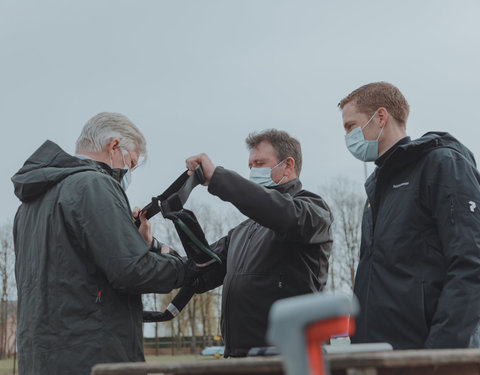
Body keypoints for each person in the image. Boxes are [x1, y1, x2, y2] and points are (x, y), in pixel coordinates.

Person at [11, 112, 188, 375]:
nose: (128, 174)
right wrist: (185, 268)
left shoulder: (29, 205)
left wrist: (139, 243)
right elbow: (132, 271)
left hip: (41, 359)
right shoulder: (94, 184)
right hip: (92, 358)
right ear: (114, 146)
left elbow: (74, 274)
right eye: (131, 163)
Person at [338, 82, 480, 349]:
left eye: (350, 126)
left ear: (380, 117)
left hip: (424, 356)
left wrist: (442, 352)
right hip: (375, 355)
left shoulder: (441, 164)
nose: (347, 136)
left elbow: (471, 262)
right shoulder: (377, 189)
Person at [185, 129, 333, 357]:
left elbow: (281, 213)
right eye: (250, 165)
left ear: (287, 165)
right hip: (243, 359)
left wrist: (218, 179)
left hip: (291, 358)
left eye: (260, 163)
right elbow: (199, 267)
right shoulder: (242, 231)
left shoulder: (313, 210)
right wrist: (154, 246)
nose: (253, 171)